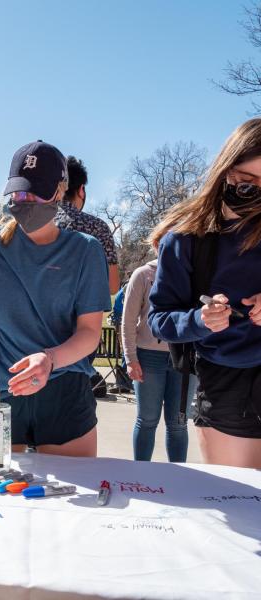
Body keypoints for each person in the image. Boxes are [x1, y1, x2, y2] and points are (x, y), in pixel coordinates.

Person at [0, 140, 110, 456]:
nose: (27, 201)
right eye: (20, 192)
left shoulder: (86, 249)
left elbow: (90, 333)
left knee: (70, 501)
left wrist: (49, 359)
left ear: (61, 190)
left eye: (37, 192)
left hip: (64, 388)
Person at [149, 118, 261, 469]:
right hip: (227, 385)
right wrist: (199, 319)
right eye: (246, 182)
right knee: (239, 510)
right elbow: (158, 320)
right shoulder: (186, 240)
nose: (254, 193)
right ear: (224, 171)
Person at [122, 253, 195, 462]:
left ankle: (177, 476)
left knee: (178, 423)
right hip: (148, 357)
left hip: (184, 357)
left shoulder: (193, 274)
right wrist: (130, 358)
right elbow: (128, 321)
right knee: (147, 420)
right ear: (156, 244)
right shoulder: (143, 275)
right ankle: (141, 475)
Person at [56, 156, 120, 294]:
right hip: (83, 312)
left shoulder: (40, 224)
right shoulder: (98, 227)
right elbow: (112, 286)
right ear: (81, 189)